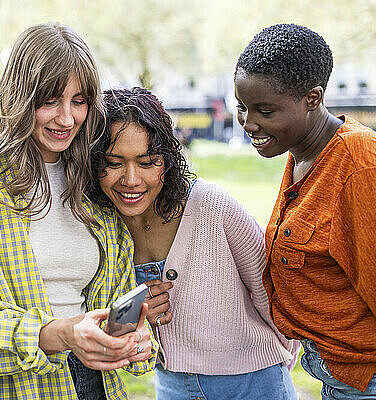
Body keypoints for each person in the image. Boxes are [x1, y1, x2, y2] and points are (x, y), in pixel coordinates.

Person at [0, 23, 156, 400]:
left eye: (80, 101)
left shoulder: (94, 184)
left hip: (93, 384)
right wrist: (61, 333)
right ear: (21, 96)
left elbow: (115, 295)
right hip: (14, 387)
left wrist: (133, 336)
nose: (67, 118)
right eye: (50, 100)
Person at [87, 87, 298, 400]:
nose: (131, 180)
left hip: (254, 382)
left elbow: (271, 291)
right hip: (173, 386)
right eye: (114, 163)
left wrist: (276, 363)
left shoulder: (211, 206)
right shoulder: (99, 224)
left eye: (148, 162)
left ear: (167, 162)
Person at [234, 23, 376, 399]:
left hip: (369, 378)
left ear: (313, 99)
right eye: (242, 107)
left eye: (265, 110)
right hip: (334, 373)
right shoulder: (303, 152)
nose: (248, 123)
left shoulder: (360, 164)